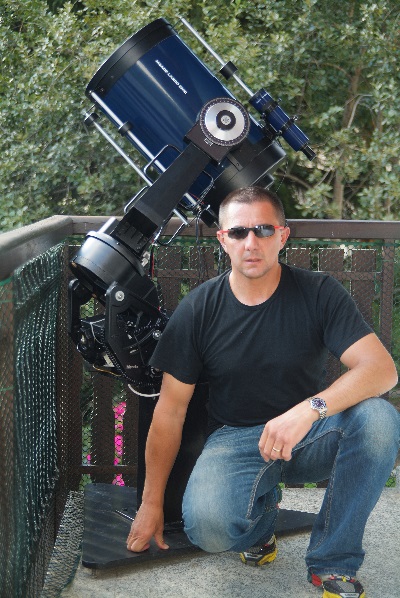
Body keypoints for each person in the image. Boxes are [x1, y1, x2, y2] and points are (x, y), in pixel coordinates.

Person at [126, 186, 399, 598]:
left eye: (263, 230)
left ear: (282, 236)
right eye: (238, 232)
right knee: (209, 530)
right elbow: (170, 413)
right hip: (235, 439)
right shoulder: (198, 309)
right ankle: (262, 523)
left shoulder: (318, 291)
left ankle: (333, 561)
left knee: (379, 419)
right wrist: (150, 503)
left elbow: (381, 370)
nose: (250, 242)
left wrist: (308, 411)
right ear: (223, 239)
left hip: (309, 434)